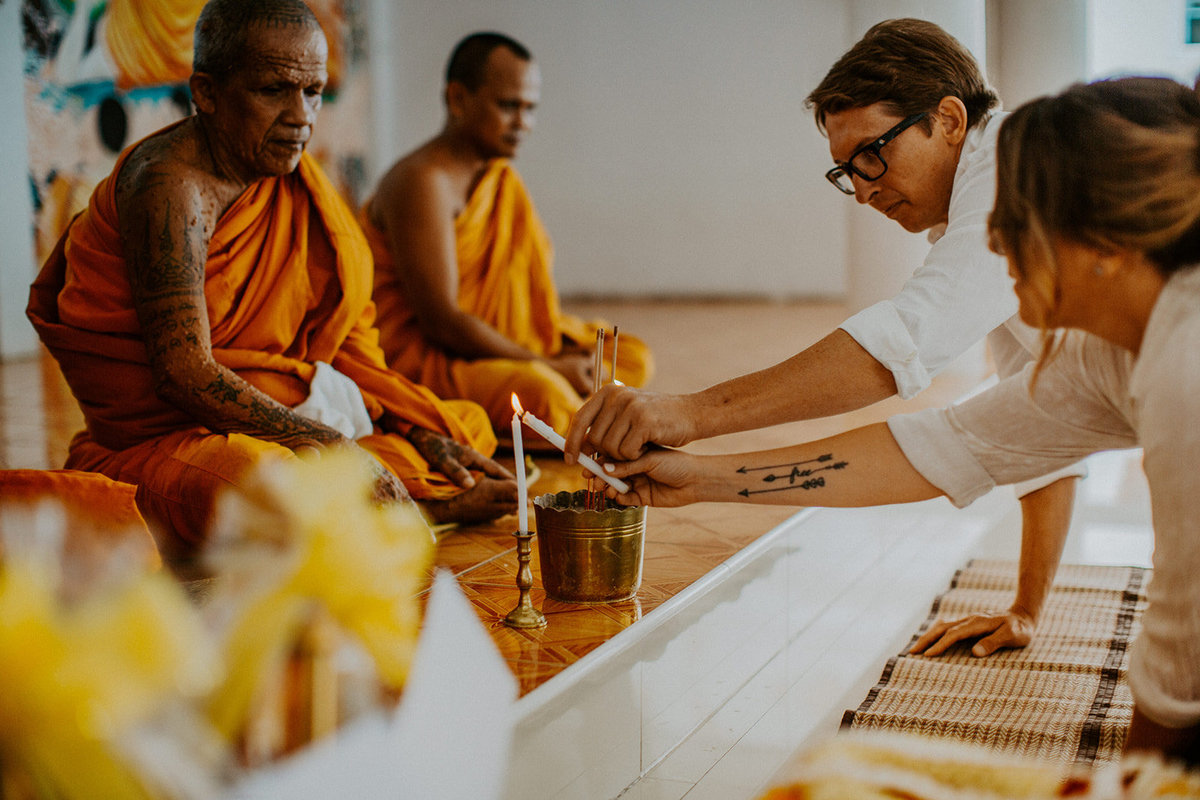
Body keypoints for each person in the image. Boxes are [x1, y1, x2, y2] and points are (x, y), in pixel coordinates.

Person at [603, 76, 1200, 763]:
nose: (995, 245)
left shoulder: (1185, 365)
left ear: (1106, 237)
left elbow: (1177, 683)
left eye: (1017, 219)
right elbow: (945, 446)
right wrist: (702, 480)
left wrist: (692, 413)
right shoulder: (1108, 356)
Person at [566, 18, 1081, 659]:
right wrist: (701, 480)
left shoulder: (1012, 159)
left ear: (949, 119)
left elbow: (903, 344)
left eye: (873, 154)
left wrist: (688, 413)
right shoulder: (990, 240)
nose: (863, 190)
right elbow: (1033, 425)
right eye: (846, 171)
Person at [25, 0, 517, 565]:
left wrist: (418, 426)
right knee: (258, 484)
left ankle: (376, 497)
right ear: (206, 92)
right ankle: (416, 505)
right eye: (273, 90)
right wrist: (333, 447)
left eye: (312, 91)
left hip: (280, 411)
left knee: (462, 428)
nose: (301, 115)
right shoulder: (170, 187)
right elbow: (183, 375)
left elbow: (347, 344)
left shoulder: (293, 180)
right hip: (168, 441)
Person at [359, 32, 654, 436]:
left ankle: (554, 401)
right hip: (426, 357)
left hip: (492, 343)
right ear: (458, 98)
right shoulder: (422, 182)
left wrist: (549, 354)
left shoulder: (496, 176)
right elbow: (442, 322)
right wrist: (546, 365)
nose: (524, 124)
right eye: (509, 106)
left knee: (629, 357)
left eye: (530, 109)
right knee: (547, 395)